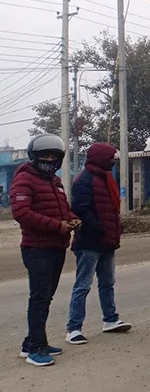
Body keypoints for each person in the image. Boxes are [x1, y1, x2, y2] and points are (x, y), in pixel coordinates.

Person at [10, 133, 80, 367]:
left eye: (54, 156)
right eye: (45, 156)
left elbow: (63, 210)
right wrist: (56, 226)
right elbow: (21, 213)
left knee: (45, 297)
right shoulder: (24, 180)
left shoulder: (55, 181)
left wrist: (71, 219)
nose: (49, 159)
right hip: (36, 248)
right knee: (39, 298)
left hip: (57, 246)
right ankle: (36, 349)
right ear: (34, 157)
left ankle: (31, 342)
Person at [66, 143, 132, 345]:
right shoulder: (84, 180)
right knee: (83, 286)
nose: (113, 161)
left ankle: (110, 320)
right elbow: (80, 209)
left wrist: (114, 229)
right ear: (101, 158)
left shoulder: (106, 178)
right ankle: (73, 328)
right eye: (110, 157)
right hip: (89, 243)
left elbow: (111, 209)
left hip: (107, 242)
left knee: (107, 283)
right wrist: (100, 229)